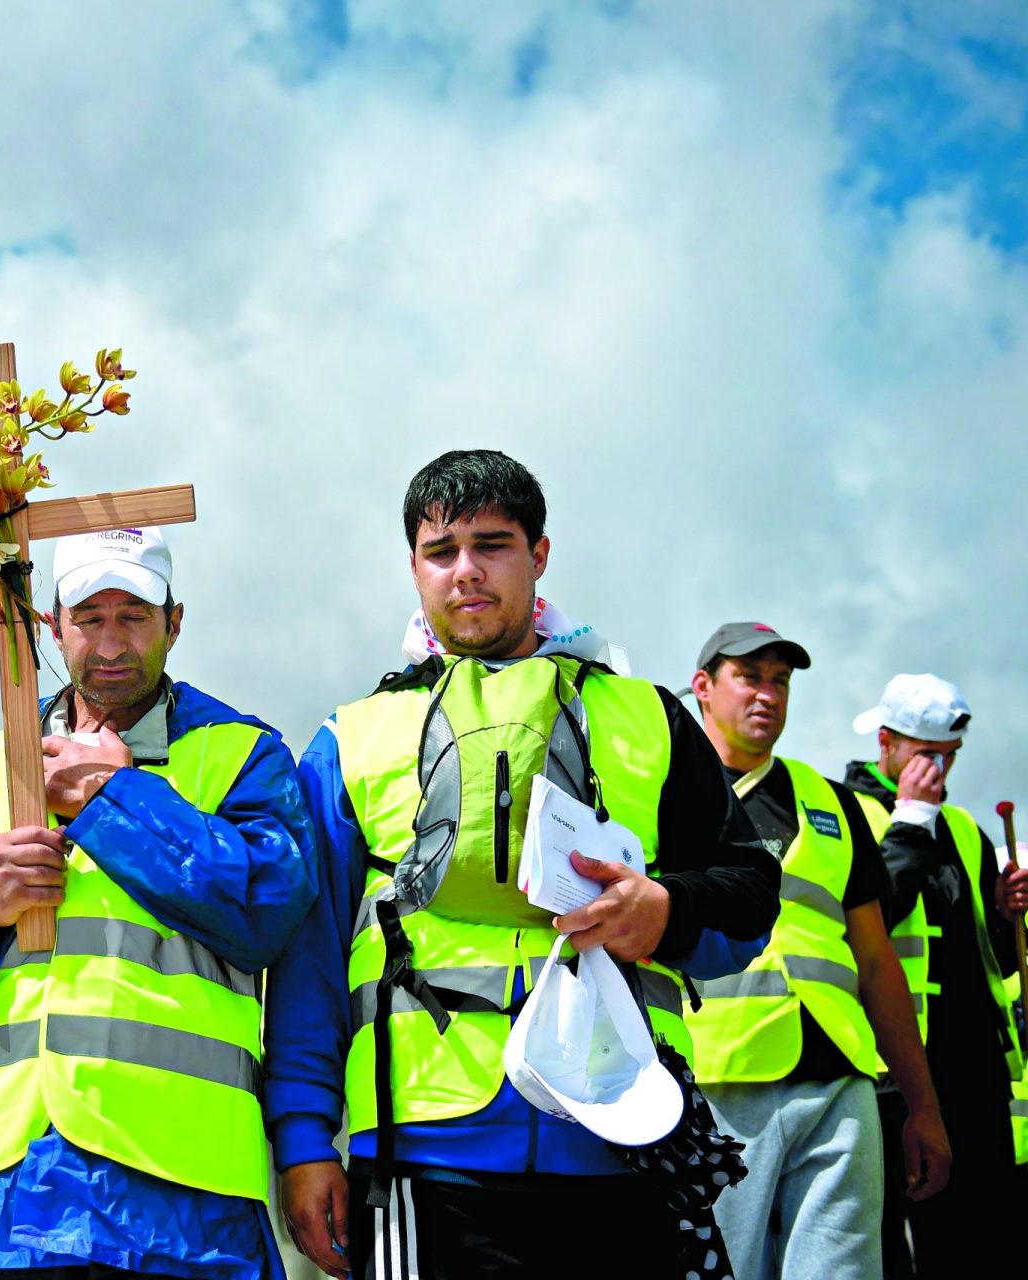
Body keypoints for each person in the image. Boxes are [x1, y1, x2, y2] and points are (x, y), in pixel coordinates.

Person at [266, 450, 781, 1280]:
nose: (465, 572)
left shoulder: (648, 715)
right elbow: (310, 959)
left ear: (539, 557)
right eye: (441, 553)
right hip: (421, 1149)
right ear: (414, 569)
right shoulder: (350, 737)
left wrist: (664, 910)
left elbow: (750, 889)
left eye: (492, 545)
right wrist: (301, 1141)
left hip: (622, 1132)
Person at [0, 526, 316, 1279]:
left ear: (175, 622)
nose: (111, 644)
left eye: (134, 617)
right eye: (89, 618)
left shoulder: (244, 756)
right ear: (51, 627)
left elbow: (269, 910)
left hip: (181, 1202)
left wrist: (114, 798)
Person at [685, 625, 949, 1279]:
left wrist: (923, 1108)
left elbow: (877, 962)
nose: (768, 694)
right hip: (713, 1083)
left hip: (839, 1083)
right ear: (703, 689)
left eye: (781, 680)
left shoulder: (832, 802)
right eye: (749, 676)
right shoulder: (665, 797)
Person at [842, 674, 1028, 1276]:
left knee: (986, 1239)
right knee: (901, 1245)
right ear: (887, 743)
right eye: (926, 756)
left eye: (949, 758)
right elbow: (870, 920)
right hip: (899, 1073)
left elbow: (980, 952)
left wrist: (1003, 914)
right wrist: (912, 819)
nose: (939, 773)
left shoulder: (966, 830)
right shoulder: (853, 813)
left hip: (976, 1071)